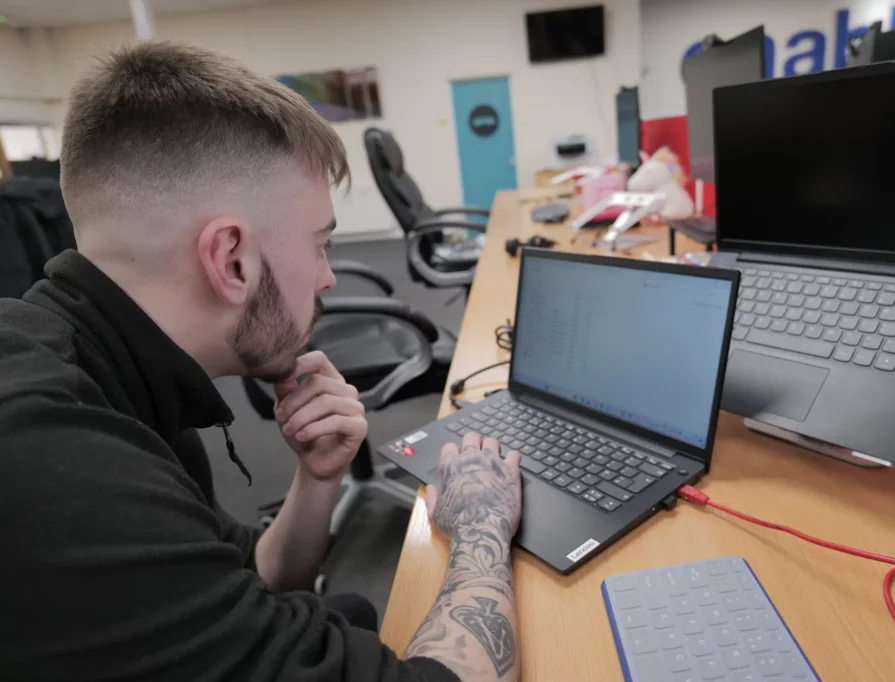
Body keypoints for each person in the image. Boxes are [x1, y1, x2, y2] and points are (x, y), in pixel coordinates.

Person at [0, 41, 522, 682]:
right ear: (232, 260)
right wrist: (482, 527)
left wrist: (317, 476)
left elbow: (257, 577)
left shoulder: (111, 373)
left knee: (352, 610)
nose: (328, 277)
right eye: (319, 245)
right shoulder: (64, 468)